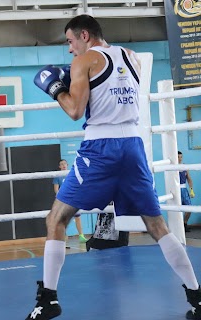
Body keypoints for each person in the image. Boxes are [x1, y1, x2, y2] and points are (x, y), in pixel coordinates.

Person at [28, 14, 201, 320]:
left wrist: (56, 89)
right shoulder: (131, 57)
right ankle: (196, 296)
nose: (69, 50)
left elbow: (74, 110)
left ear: (84, 35)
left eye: (70, 42)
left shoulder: (85, 61)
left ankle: (48, 299)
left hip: (101, 148)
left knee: (56, 218)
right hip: (133, 147)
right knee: (156, 225)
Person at [53, 159, 87, 243]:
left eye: (65, 163)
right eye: (62, 164)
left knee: (78, 217)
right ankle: (63, 237)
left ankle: (81, 235)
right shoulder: (57, 176)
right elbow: (56, 190)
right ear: (59, 166)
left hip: (73, 199)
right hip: (63, 201)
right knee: (63, 219)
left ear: (67, 164)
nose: (64, 165)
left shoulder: (72, 174)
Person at [179, 151, 196, 232]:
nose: (180, 159)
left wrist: (191, 190)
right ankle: (177, 226)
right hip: (175, 190)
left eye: (181, 157)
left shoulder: (184, 166)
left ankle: (184, 224)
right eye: (178, 157)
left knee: (189, 208)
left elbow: (189, 178)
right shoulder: (171, 167)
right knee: (176, 209)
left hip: (184, 190)